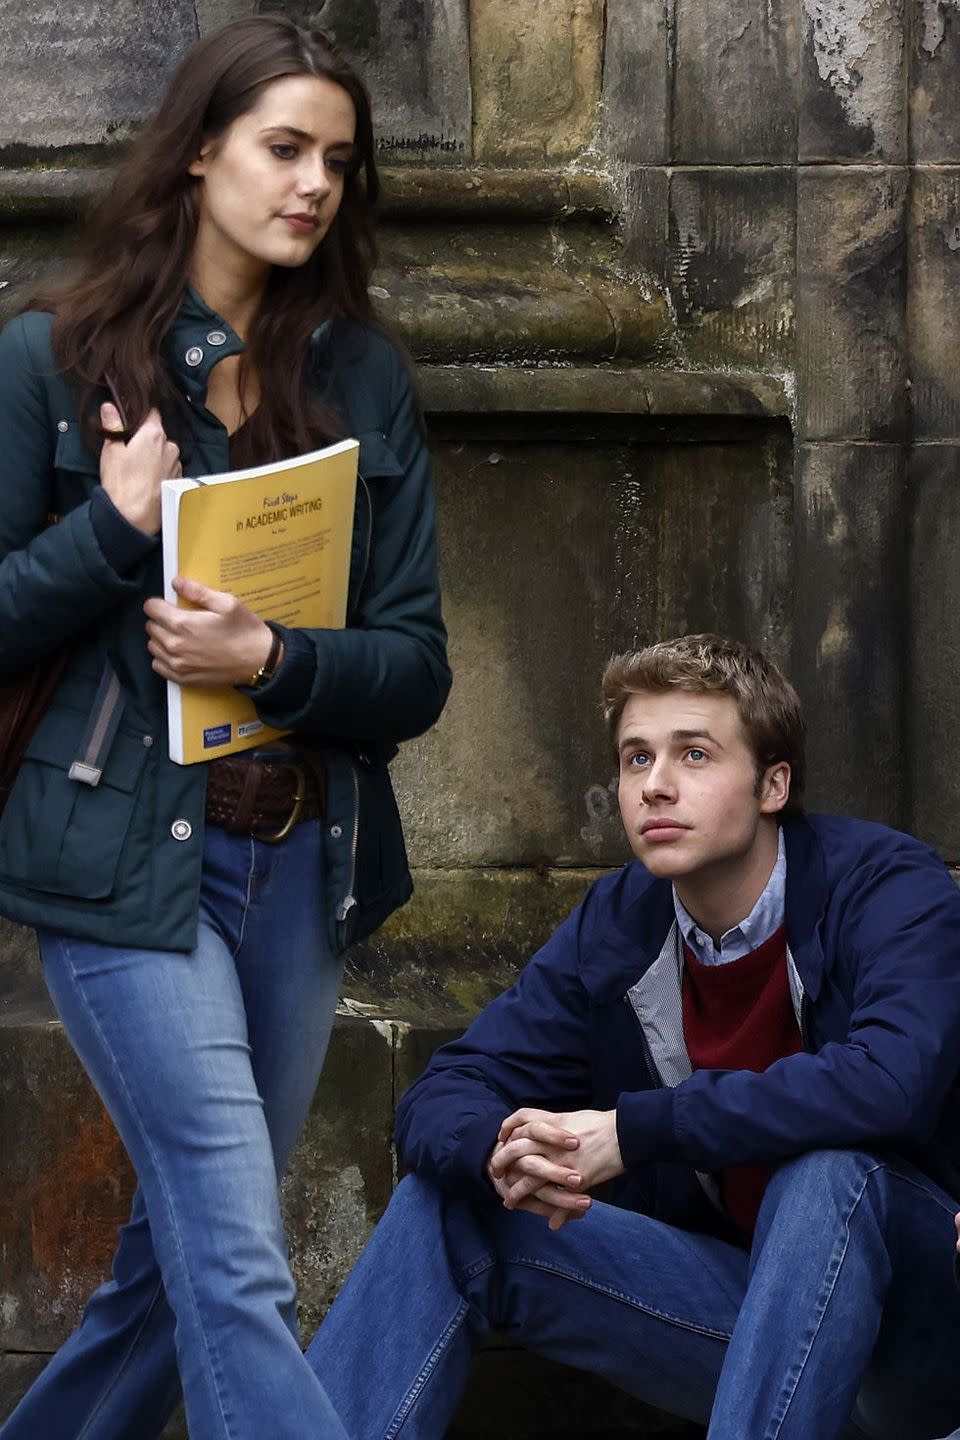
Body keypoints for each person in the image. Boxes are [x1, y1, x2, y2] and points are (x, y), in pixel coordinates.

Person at [0, 16, 449, 1440]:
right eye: (282, 147)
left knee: (172, 1269)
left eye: (337, 161)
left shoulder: (364, 381)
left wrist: (275, 657)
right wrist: (107, 534)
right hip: (124, 872)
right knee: (242, 1261)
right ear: (200, 152)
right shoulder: (48, 359)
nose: (313, 183)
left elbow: (416, 667)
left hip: (298, 869)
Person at [305, 634, 960, 1440]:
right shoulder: (618, 926)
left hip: (920, 1340)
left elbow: (890, 1082)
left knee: (825, 1174)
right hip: (754, 1328)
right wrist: (497, 1150)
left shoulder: (886, 886)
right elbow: (446, 1090)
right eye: (635, 758)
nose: (655, 786)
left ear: (773, 784)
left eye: (693, 755)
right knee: (458, 1206)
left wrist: (634, 1131)